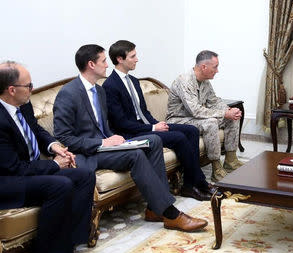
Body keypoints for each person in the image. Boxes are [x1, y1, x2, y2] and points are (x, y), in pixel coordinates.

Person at [53, 44, 208, 233]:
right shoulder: (68, 93)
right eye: (103, 61)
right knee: (136, 155)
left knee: (155, 140)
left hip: (108, 145)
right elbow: (64, 136)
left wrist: (113, 137)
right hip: (90, 152)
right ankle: (170, 213)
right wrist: (102, 142)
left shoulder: (99, 91)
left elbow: (103, 127)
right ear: (91, 64)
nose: (107, 65)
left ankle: (153, 208)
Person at [0, 61, 95, 253]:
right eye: (28, 86)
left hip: (21, 171)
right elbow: (14, 168)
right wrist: (54, 165)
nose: (32, 89)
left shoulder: (22, 104)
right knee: (60, 185)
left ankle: (69, 244)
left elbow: (35, 129)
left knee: (84, 175)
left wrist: (54, 147)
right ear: (11, 90)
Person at [102, 40, 215, 201]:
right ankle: (198, 183)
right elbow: (121, 123)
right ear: (120, 59)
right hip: (131, 133)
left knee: (192, 130)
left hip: (147, 126)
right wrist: (153, 129)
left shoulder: (134, 81)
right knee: (179, 137)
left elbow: (144, 111)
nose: (137, 59)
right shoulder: (110, 85)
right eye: (133, 56)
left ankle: (190, 185)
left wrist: (157, 124)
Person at [166, 50, 244, 182]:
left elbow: (214, 101)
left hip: (195, 119)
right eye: (215, 67)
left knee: (232, 119)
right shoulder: (184, 81)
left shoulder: (205, 82)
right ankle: (216, 168)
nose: (217, 71)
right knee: (211, 122)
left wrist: (230, 111)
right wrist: (224, 113)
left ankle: (231, 160)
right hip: (178, 120)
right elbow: (195, 111)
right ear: (204, 67)